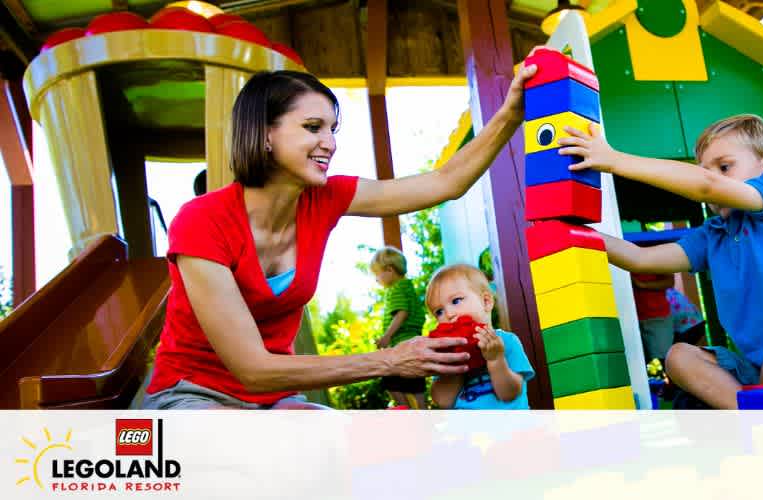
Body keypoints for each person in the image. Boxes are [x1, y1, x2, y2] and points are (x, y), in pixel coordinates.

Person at [142, 64, 537, 409]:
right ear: (265, 135)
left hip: (272, 399)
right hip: (194, 392)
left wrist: (510, 114)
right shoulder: (201, 222)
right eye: (313, 127)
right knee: (251, 456)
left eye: (332, 129)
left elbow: (445, 182)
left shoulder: (325, 198)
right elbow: (253, 369)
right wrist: (390, 360)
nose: (329, 142)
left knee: (333, 449)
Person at [556, 113, 763, 409]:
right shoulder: (714, 234)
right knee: (679, 355)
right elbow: (640, 259)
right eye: (706, 168)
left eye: (724, 167)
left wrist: (613, 160)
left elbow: (706, 187)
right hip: (756, 374)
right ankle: (754, 418)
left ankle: (755, 418)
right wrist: (572, 232)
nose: (715, 179)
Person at [427, 264, 534, 409]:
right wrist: (456, 363)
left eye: (456, 301)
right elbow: (443, 401)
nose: (449, 314)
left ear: (486, 302)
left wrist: (496, 359)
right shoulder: (445, 354)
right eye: (439, 311)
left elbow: (510, 394)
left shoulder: (507, 341)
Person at [371, 246, 427, 408]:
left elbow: (401, 313)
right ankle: (423, 414)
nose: (376, 279)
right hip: (414, 342)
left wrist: (386, 337)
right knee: (416, 383)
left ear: (389, 270)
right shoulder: (407, 287)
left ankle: (404, 410)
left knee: (389, 380)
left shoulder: (396, 289)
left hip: (402, 343)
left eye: (377, 274)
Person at [631, 273, 674, 365]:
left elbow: (669, 281)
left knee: (661, 362)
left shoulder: (656, 259)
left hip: (656, 318)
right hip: (630, 320)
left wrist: (641, 284)